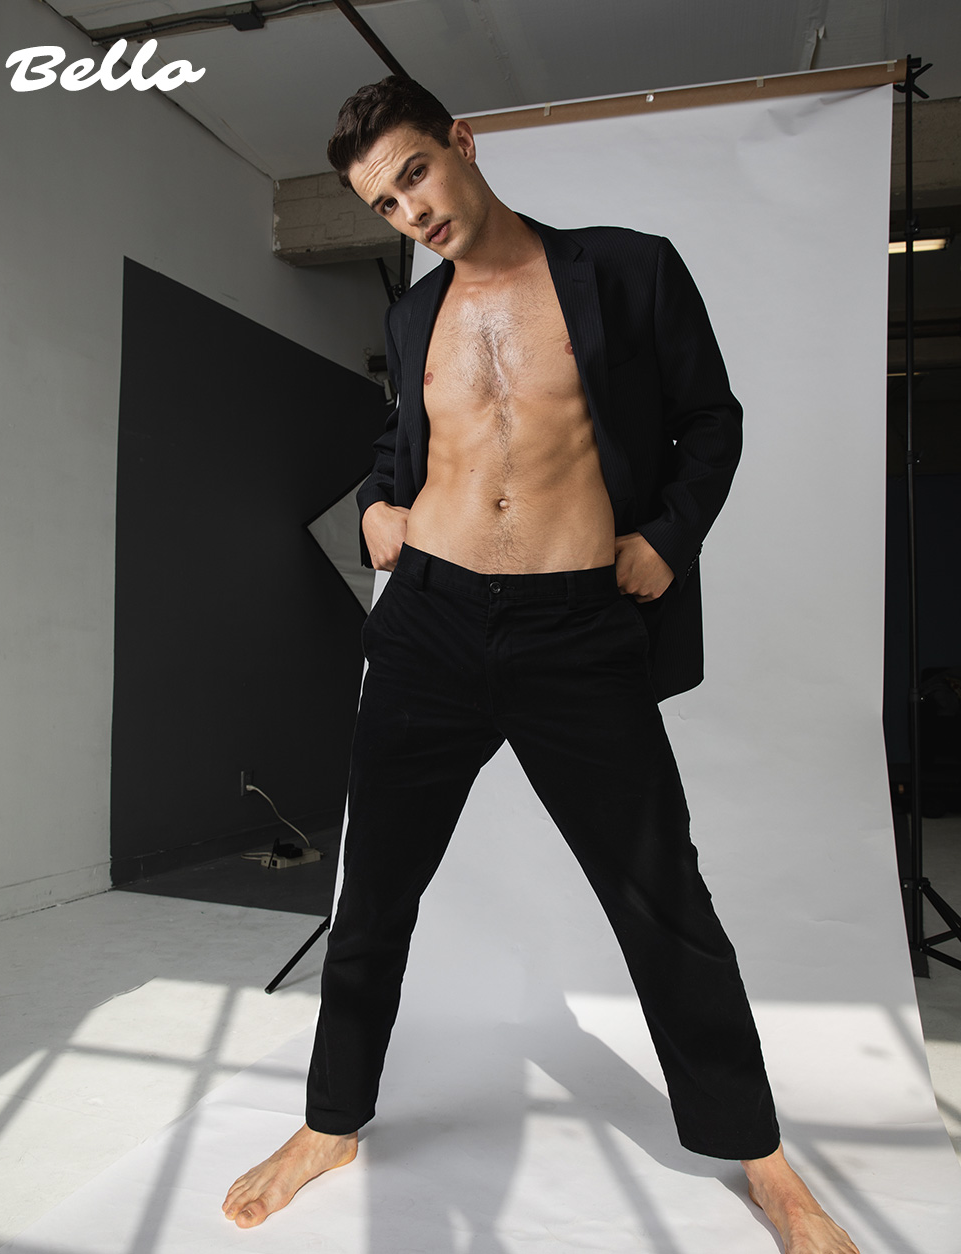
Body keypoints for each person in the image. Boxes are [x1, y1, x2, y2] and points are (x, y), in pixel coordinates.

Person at [223, 76, 859, 1254]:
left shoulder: (626, 270)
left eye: (415, 174)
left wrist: (667, 538)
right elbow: (403, 442)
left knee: (662, 898)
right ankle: (330, 1122)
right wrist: (375, 506)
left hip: (577, 630)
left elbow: (710, 419)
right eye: (382, 204)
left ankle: (761, 1159)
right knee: (374, 893)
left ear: (461, 143)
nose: (410, 211)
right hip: (429, 624)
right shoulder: (415, 314)